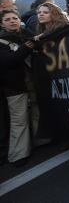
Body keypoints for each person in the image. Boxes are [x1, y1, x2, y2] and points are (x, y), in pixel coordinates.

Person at [0, 9, 35, 167]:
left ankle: (41, 140)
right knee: (19, 120)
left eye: (15, 18)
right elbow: (9, 61)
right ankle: (18, 154)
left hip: (33, 82)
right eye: (7, 19)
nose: (12, 21)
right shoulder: (1, 41)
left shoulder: (28, 35)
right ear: (2, 23)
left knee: (36, 112)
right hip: (14, 86)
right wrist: (27, 47)